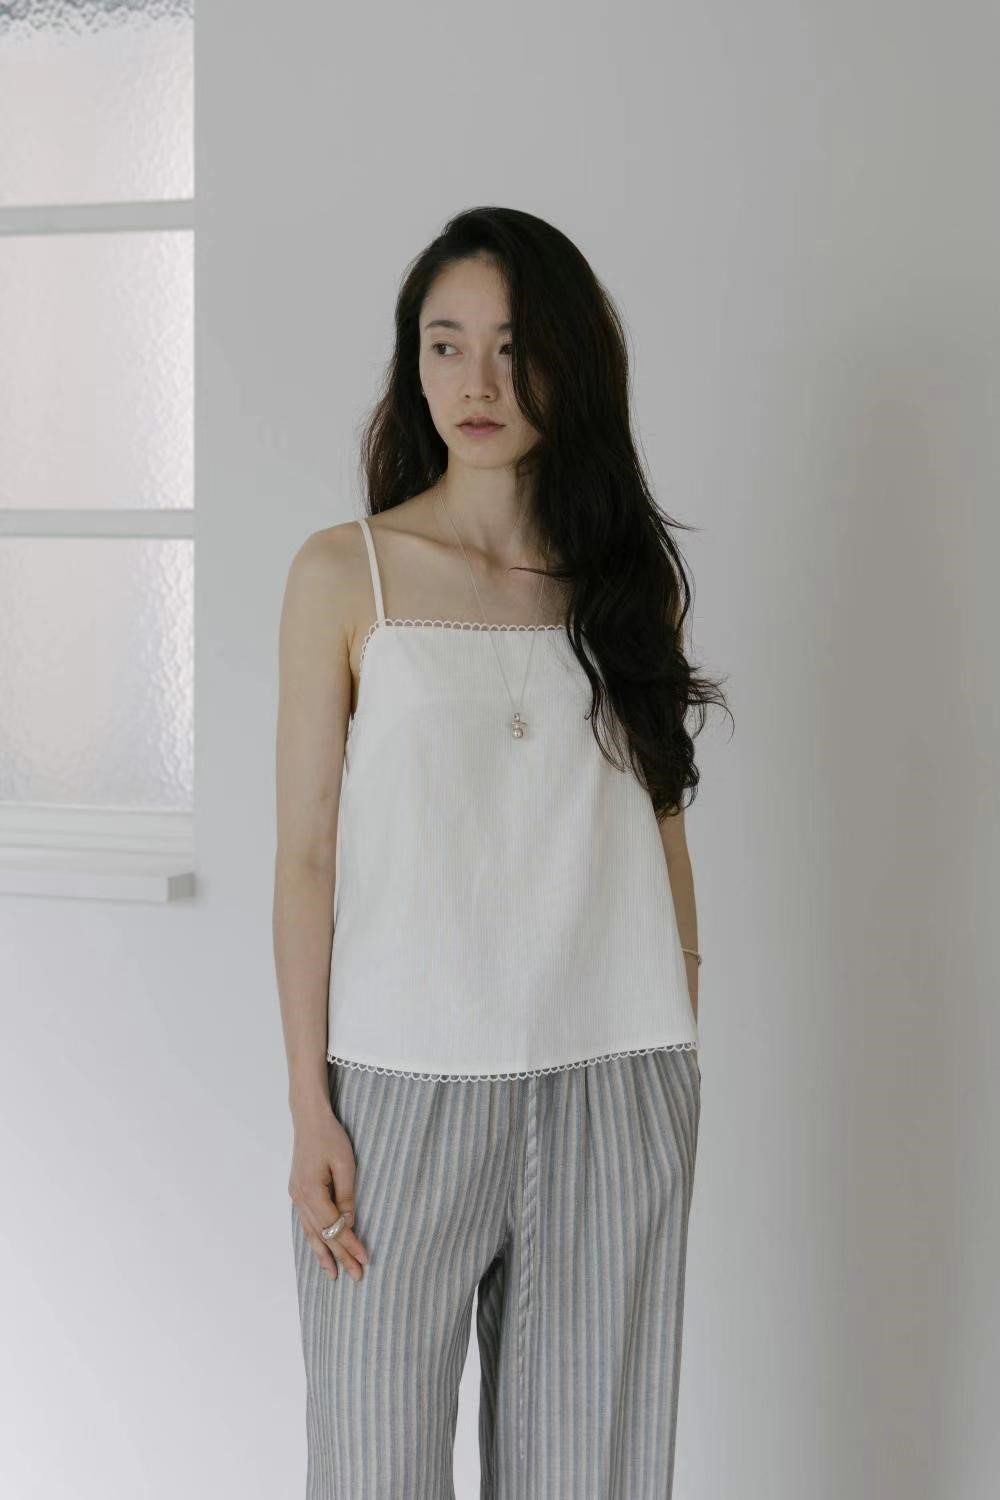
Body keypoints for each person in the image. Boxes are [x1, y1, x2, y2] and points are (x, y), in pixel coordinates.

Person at [273, 205, 730, 1499]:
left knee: (589, 1475)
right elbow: (305, 859)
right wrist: (310, 1106)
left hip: (611, 1080)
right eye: (446, 344)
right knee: (373, 1471)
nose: (477, 381)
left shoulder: (625, 587)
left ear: (570, 361)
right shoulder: (346, 574)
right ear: (413, 365)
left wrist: (680, 1030)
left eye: (514, 347)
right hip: (399, 1091)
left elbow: (661, 823)